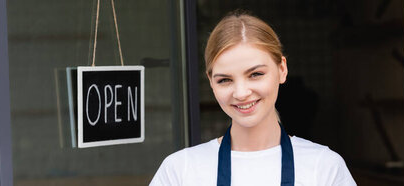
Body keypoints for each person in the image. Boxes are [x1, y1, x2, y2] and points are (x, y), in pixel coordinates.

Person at [150, 11, 357, 186]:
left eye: (255, 74)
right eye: (224, 80)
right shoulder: (180, 171)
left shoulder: (324, 168)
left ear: (282, 69)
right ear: (211, 82)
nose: (241, 93)